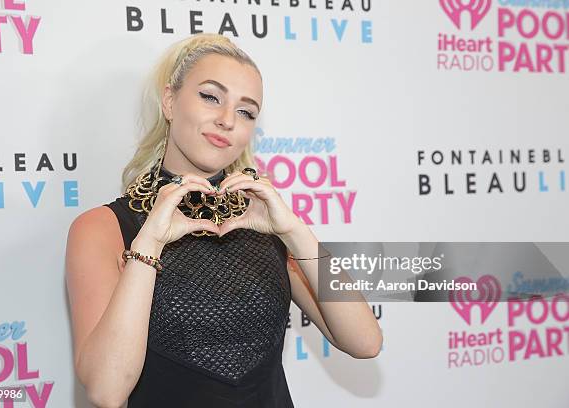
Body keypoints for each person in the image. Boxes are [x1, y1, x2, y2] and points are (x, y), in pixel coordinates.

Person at [65, 33, 382, 408]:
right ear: (170, 101)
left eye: (246, 111)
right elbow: (107, 390)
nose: (227, 120)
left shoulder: (262, 220)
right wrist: (148, 246)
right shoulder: (104, 228)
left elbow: (365, 341)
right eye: (211, 97)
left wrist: (295, 231)